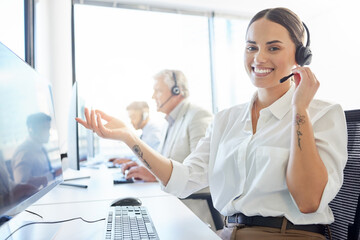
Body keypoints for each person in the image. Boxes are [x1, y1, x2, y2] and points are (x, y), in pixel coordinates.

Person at [76, 8, 348, 239]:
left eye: (273, 48)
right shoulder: (226, 119)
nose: (258, 58)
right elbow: (183, 181)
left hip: (289, 235)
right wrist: (129, 138)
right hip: (227, 232)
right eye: (251, 47)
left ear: (301, 57)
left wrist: (299, 109)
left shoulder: (322, 114)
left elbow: (309, 200)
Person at [108, 101, 166, 167]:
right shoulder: (146, 131)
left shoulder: (154, 132)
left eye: (133, 117)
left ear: (145, 115)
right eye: (130, 118)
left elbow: (154, 162)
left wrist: (133, 162)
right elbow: (143, 156)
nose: (131, 121)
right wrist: (129, 160)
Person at [12, 112, 56, 185]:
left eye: (49, 128)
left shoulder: (41, 148)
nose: (49, 133)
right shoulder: (24, 152)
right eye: (45, 128)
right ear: (31, 130)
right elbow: (22, 185)